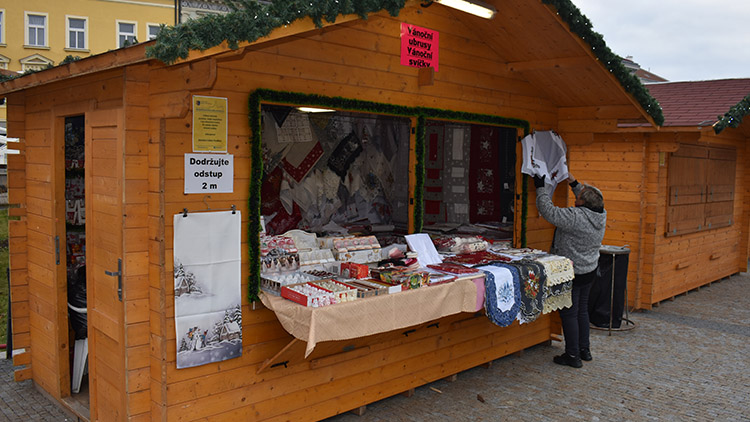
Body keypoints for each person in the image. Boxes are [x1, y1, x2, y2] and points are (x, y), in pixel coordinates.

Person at [534, 173, 606, 368]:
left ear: (581, 203)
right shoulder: (600, 214)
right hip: (589, 269)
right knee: (582, 311)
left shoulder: (575, 217)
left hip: (571, 272)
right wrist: (573, 183)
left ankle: (572, 355)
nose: (576, 197)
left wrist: (540, 187)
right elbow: (591, 196)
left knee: (569, 314)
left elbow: (548, 211)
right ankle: (585, 350)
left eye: (578, 196)